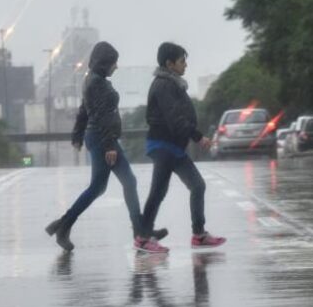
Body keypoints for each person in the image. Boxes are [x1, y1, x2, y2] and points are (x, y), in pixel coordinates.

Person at [46, 41, 167, 252]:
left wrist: (77, 135)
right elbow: (102, 116)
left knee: (110, 185)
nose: (116, 66)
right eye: (114, 62)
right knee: (112, 185)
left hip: (98, 137)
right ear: (104, 62)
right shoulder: (97, 83)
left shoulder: (91, 80)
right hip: (103, 140)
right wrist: (110, 145)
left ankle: (65, 225)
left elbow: (85, 111)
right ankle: (139, 232)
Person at [136, 42, 227, 253]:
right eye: (182, 61)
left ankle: (199, 234)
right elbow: (175, 118)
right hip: (163, 145)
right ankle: (142, 237)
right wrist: (198, 137)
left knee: (197, 185)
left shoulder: (173, 83)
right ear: (169, 63)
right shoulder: (164, 85)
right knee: (158, 191)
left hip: (174, 147)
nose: (186, 65)